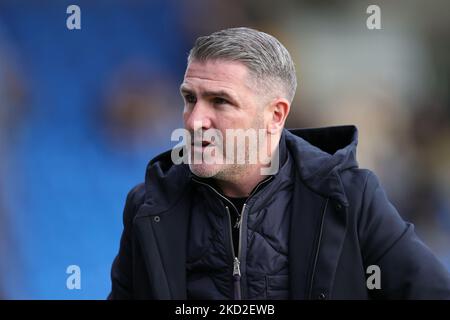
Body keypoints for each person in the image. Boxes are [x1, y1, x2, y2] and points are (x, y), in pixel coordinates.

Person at [108, 27, 450, 299]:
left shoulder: (349, 197)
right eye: (189, 98)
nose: (195, 120)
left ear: (275, 115)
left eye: (220, 102)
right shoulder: (150, 206)